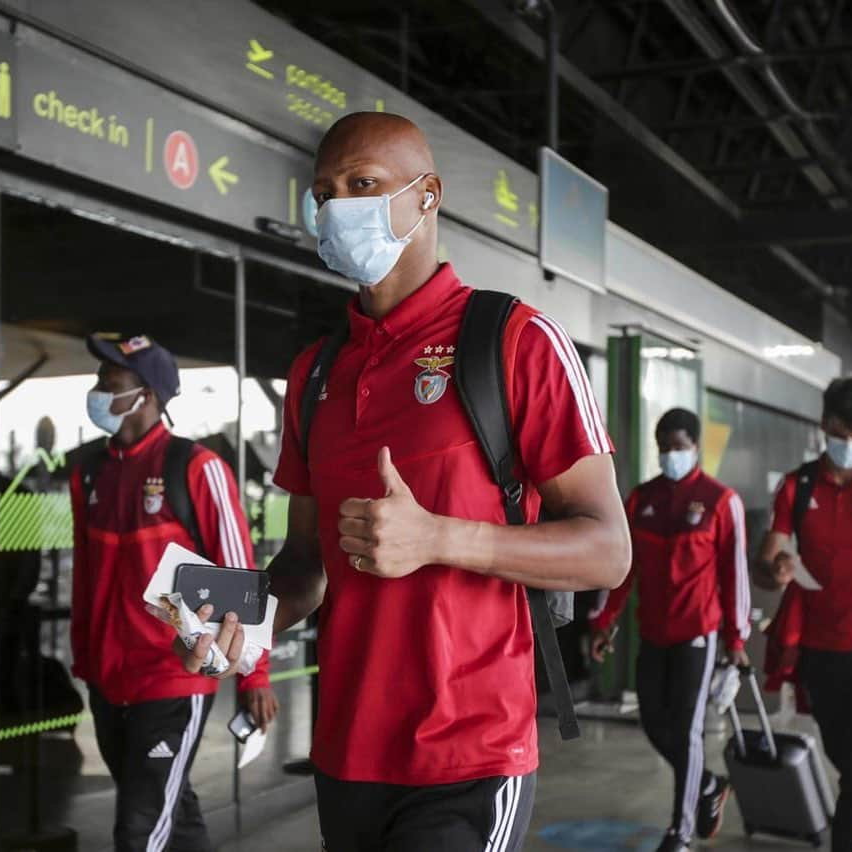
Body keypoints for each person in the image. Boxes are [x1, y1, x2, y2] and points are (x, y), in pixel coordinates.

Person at [179, 112, 631, 852]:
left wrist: (440, 538)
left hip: (469, 754)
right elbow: (303, 567)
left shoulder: (513, 341)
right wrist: (230, 622)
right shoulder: (315, 373)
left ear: (427, 196)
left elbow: (607, 550)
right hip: (347, 756)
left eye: (363, 185)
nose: (337, 206)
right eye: (324, 192)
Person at [70, 333, 275, 852]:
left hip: (172, 679)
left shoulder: (196, 468)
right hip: (106, 679)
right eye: (100, 377)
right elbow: (85, 575)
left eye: (111, 379)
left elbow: (240, 575)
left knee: (139, 831)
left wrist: (255, 674)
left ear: (148, 393)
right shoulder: (88, 471)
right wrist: (85, 659)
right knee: (171, 815)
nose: (100, 387)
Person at [590, 407, 751, 852]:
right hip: (653, 633)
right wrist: (605, 622)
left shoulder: (722, 501)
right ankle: (709, 784)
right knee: (653, 723)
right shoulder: (642, 500)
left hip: (698, 635)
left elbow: (733, 573)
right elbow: (623, 570)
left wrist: (736, 638)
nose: (670, 455)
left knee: (686, 730)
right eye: (664, 448)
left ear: (696, 447)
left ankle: (680, 832)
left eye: (678, 447)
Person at [756, 377, 852, 852]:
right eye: (843, 429)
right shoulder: (799, 484)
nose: (851, 440)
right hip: (824, 651)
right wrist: (778, 568)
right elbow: (766, 564)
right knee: (848, 761)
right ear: (825, 424)